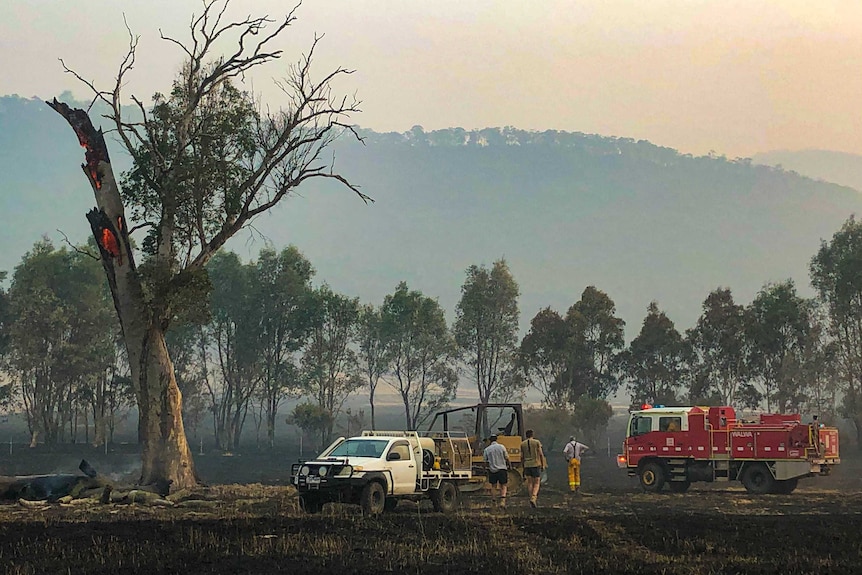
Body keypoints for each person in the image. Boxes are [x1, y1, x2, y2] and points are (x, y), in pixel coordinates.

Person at [520, 429, 546, 508]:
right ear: (532, 435)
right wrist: (542, 464)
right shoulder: (537, 442)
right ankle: (534, 497)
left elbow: (521, 457)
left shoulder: (522, 444)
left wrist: (522, 466)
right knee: (537, 482)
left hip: (527, 465)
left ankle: (531, 498)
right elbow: (541, 454)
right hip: (535, 464)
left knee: (530, 483)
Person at [483, 434, 510, 507]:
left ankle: (494, 500)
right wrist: (509, 466)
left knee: (493, 486)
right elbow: (507, 457)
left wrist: (486, 469)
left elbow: (485, 461)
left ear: (490, 440)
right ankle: (502, 501)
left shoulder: (487, 449)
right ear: (496, 439)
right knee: (503, 485)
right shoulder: (502, 447)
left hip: (492, 470)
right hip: (502, 469)